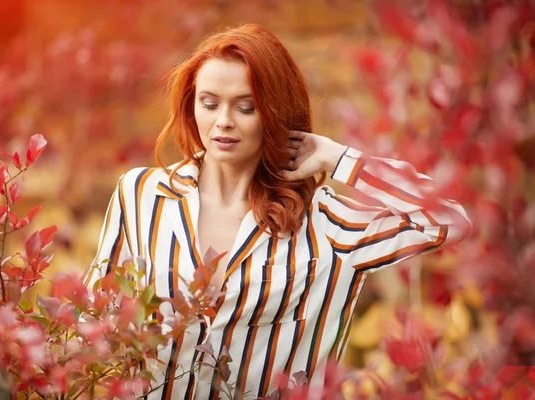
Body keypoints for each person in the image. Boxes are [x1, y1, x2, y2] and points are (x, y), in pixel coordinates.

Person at [82, 23, 471, 399]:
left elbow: (450, 219)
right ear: (191, 105)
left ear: (274, 113)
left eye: (246, 107)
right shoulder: (142, 194)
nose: (223, 122)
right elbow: (91, 319)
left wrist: (340, 159)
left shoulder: (327, 225)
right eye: (210, 103)